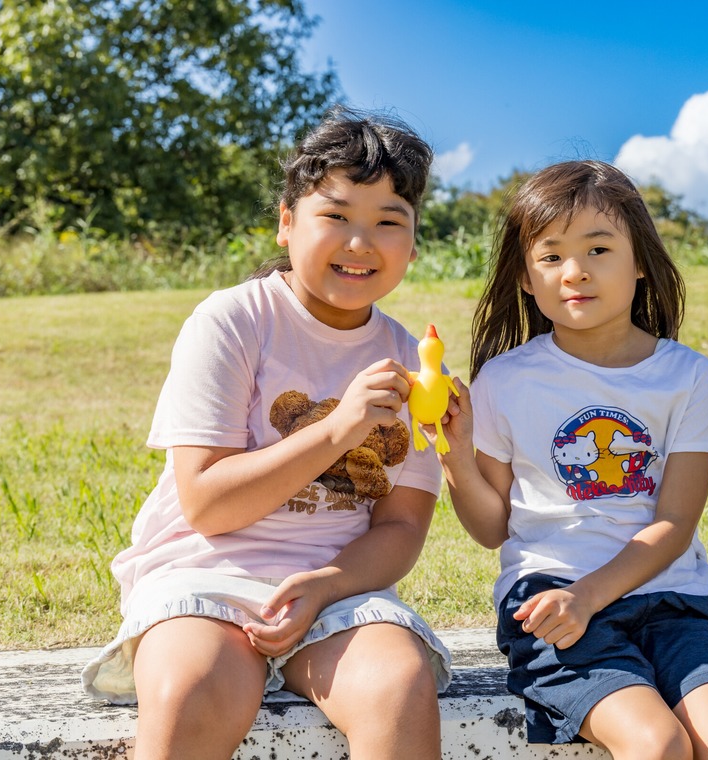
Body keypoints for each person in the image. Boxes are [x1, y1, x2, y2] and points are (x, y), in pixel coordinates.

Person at [81, 107, 451, 760]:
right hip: (204, 577)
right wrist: (338, 429)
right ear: (287, 222)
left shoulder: (408, 360)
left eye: (388, 223)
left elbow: (401, 528)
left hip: (339, 588)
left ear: (414, 243)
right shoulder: (233, 321)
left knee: (399, 686)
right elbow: (207, 504)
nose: (360, 243)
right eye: (335, 215)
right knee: (192, 689)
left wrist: (326, 585)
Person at [434, 160, 708, 760]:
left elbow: (674, 525)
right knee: (656, 743)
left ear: (640, 260)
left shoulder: (688, 376)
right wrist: (456, 456)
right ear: (526, 278)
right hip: (552, 603)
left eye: (598, 248)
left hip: (674, 599)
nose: (576, 271)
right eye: (551, 256)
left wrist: (592, 594)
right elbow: (491, 528)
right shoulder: (505, 380)